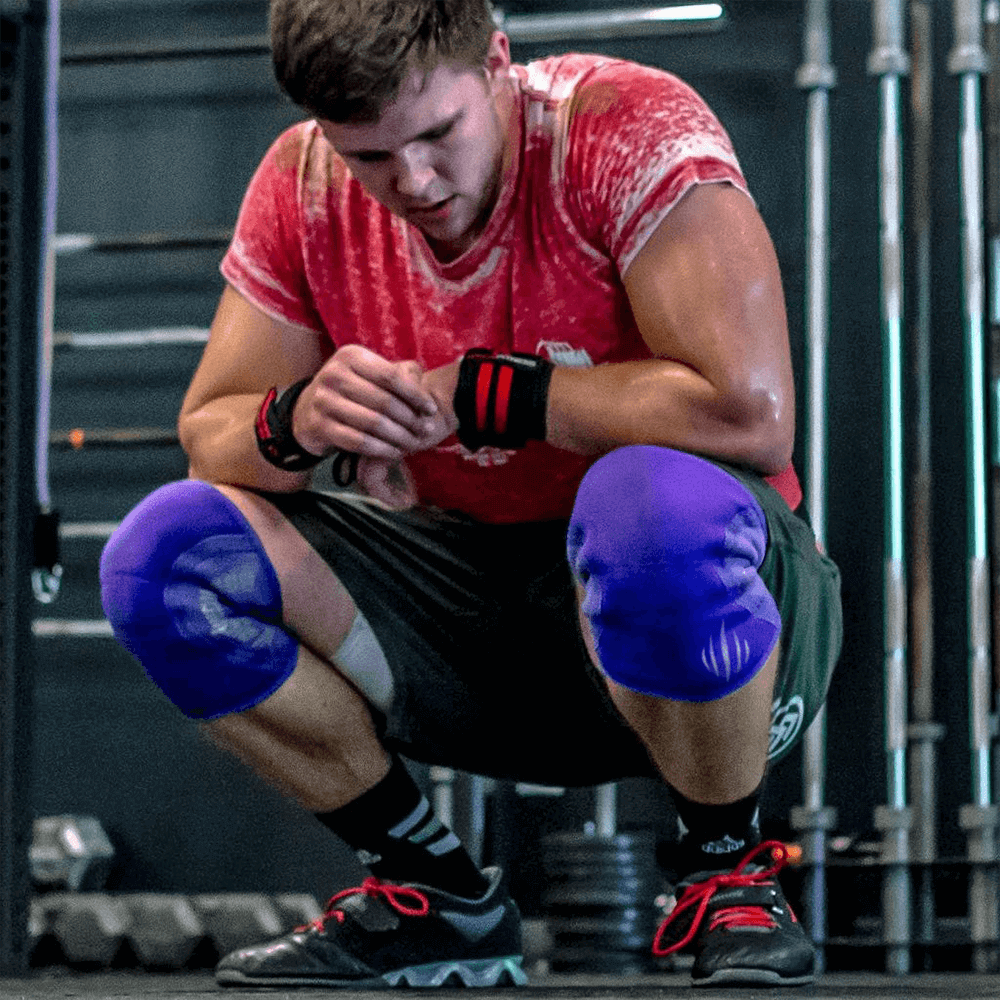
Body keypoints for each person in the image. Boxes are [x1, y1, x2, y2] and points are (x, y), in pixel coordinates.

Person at [99, 0, 842, 989]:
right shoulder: (303, 181)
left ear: (496, 61)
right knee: (166, 555)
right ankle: (429, 890)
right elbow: (211, 438)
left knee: (647, 508)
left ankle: (727, 871)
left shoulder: (625, 129)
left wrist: (496, 391)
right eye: (370, 155)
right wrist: (300, 418)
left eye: (438, 134)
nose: (411, 182)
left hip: (710, 615)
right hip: (471, 611)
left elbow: (750, 416)